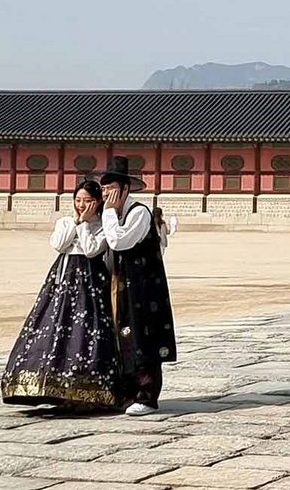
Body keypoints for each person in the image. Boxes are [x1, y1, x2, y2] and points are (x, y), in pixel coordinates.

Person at [1, 180, 122, 410]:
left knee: (87, 330)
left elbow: (91, 249)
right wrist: (76, 222)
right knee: (53, 325)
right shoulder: (65, 221)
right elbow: (58, 244)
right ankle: (49, 385)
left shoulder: (103, 226)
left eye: (87, 201)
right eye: (78, 200)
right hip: (62, 280)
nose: (82, 205)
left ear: (97, 202)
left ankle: (87, 390)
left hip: (90, 283)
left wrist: (85, 225)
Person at [99, 156, 176, 417]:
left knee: (143, 337)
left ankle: (146, 395)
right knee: (122, 337)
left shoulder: (138, 213)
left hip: (142, 287)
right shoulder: (112, 214)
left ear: (125, 189)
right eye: (104, 189)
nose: (106, 194)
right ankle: (127, 391)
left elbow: (119, 241)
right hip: (120, 284)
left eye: (111, 189)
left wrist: (108, 213)